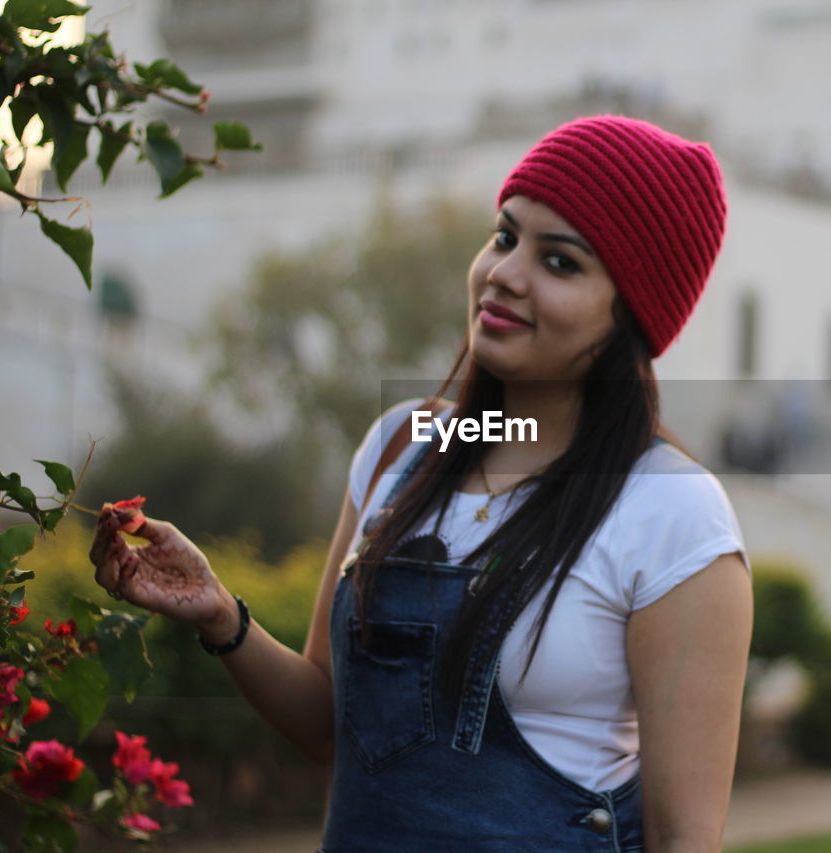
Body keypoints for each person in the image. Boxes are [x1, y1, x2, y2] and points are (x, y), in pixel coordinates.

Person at [89, 115, 752, 852]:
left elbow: (682, 838)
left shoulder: (671, 511)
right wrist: (221, 616)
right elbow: (335, 728)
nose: (505, 272)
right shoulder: (402, 447)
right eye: (505, 235)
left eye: (560, 262)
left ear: (631, 315)